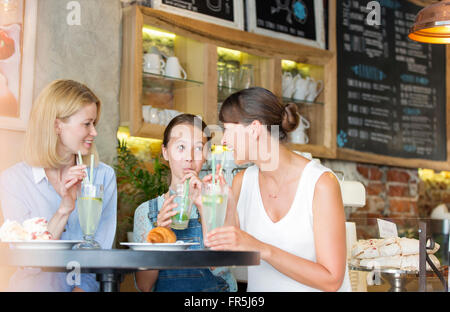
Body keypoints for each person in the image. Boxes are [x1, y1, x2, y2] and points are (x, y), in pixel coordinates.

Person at [204, 87, 352, 292]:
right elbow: (219, 263)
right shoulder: (241, 182)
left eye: (227, 130)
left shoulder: (320, 183)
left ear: (254, 129)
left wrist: (262, 248)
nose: (224, 141)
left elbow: (332, 280)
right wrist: (215, 205)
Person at [0, 79, 117, 292]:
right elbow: (27, 260)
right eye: (86, 124)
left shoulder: (103, 177)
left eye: (94, 124)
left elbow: (100, 254)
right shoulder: (13, 180)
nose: (94, 132)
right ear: (56, 125)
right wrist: (64, 209)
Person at [133, 114, 237, 292]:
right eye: (181, 147)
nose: (189, 157)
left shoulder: (219, 203)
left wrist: (204, 211)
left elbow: (220, 269)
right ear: (165, 152)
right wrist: (160, 233)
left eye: (198, 148)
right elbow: (145, 286)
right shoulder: (146, 212)